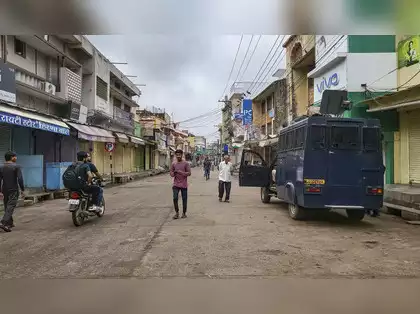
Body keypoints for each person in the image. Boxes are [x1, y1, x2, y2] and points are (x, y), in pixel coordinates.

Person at [0, 151, 25, 232]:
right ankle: (3, 223)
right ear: (12, 157)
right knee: (10, 206)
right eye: (15, 156)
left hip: (4, 190)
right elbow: (20, 179)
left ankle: (10, 223)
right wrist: (22, 190)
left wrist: (0, 191)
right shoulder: (16, 166)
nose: (16, 158)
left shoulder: (2, 167)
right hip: (13, 189)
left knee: (7, 205)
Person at [170, 149, 191, 219]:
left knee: (184, 199)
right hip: (176, 184)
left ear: (182, 155)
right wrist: (174, 173)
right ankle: (177, 212)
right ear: (175, 155)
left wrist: (181, 172)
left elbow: (189, 173)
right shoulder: (173, 164)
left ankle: (184, 213)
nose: (178, 156)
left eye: (179, 155)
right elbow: (171, 173)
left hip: (184, 185)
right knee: (175, 198)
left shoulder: (186, 163)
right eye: (177, 155)